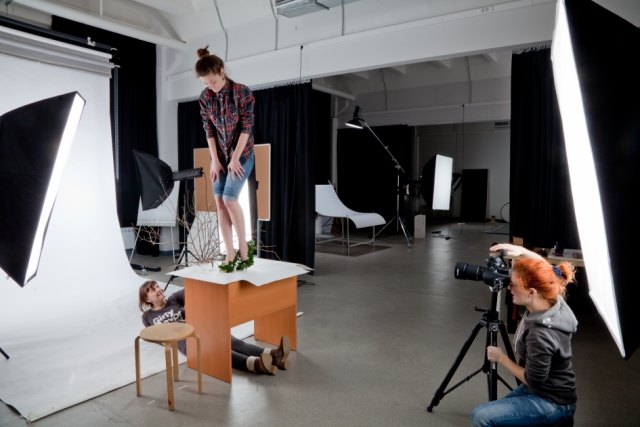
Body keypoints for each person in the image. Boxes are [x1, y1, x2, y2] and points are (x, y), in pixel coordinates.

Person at [470, 243, 578, 427]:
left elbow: (533, 380)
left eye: (513, 284)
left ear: (531, 292)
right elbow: (546, 270)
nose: (508, 288)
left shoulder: (541, 334)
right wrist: (522, 252)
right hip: (539, 391)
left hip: (552, 402)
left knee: (481, 416)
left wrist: (501, 358)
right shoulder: (553, 300)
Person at [138, 281, 291, 375]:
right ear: (147, 299)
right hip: (186, 341)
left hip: (200, 329)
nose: (158, 289)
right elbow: (155, 337)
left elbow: (192, 289)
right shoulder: (147, 317)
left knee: (235, 342)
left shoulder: (174, 299)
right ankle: (256, 365)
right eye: (153, 290)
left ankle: (275, 355)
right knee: (220, 350)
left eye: (157, 286)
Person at [196, 45, 255, 272]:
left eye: (212, 81)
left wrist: (235, 158)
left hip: (242, 154)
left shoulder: (242, 92)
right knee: (219, 201)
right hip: (218, 156)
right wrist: (215, 160)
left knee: (230, 199)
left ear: (222, 71)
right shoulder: (205, 97)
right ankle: (229, 251)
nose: (210, 86)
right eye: (205, 83)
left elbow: (247, 127)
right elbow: (208, 130)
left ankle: (243, 246)